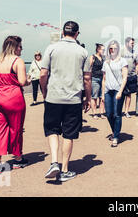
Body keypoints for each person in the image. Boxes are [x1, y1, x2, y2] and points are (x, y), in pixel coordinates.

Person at [40, 21, 92, 182]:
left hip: (53, 97)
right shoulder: (83, 52)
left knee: (52, 130)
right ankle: (64, 169)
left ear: (63, 32)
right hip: (73, 98)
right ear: (77, 34)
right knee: (69, 134)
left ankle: (54, 161)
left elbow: (43, 74)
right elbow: (87, 79)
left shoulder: (51, 48)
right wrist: (88, 98)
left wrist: (44, 91)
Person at [0, 36, 29, 175]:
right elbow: (22, 81)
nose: (21, 49)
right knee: (16, 129)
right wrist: (28, 80)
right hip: (13, 97)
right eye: (20, 47)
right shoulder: (18, 61)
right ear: (15, 47)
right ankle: (18, 158)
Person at [101, 40, 128, 147]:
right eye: (110, 48)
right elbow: (103, 79)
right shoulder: (106, 62)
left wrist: (120, 91)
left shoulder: (122, 61)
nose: (112, 50)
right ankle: (114, 131)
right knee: (108, 114)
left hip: (118, 90)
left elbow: (125, 77)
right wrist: (102, 94)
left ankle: (116, 136)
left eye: (114, 48)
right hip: (108, 90)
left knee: (117, 114)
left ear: (118, 49)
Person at [122, 37, 138, 118]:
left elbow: (137, 64)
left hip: (131, 76)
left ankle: (126, 112)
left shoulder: (135, 53)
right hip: (122, 77)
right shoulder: (121, 52)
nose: (133, 44)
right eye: (131, 43)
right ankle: (118, 111)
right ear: (126, 43)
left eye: (133, 43)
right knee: (121, 94)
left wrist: (136, 72)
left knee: (129, 95)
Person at [90, 43, 105, 119]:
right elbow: (89, 68)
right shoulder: (93, 57)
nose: (103, 51)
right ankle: (94, 113)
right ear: (98, 49)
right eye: (102, 49)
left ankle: (102, 113)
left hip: (102, 79)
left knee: (102, 97)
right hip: (94, 79)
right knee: (94, 97)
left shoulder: (103, 58)